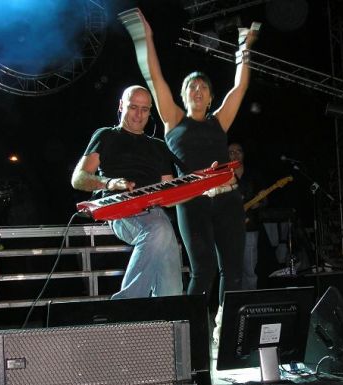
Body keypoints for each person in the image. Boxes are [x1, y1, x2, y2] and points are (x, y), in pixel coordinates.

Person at [124, 9, 257, 342]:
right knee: (203, 270)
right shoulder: (173, 119)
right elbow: (154, 77)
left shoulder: (219, 121)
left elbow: (240, 86)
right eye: (191, 86)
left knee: (234, 271)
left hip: (228, 200)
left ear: (210, 98)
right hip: (192, 202)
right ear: (183, 96)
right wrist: (145, 37)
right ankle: (192, 337)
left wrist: (244, 47)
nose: (197, 90)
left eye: (203, 87)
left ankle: (227, 335)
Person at [71, 85, 183, 299]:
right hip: (121, 209)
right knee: (160, 229)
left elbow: (170, 195)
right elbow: (78, 178)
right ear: (121, 106)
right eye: (133, 107)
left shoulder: (158, 146)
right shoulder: (105, 135)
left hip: (155, 211)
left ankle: (166, 316)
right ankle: (125, 304)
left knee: (172, 288)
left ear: (150, 112)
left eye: (144, 109)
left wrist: (206, 188)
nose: (139, 114)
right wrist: (110, 183)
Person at [230, 142, 265, 290]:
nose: (235, 154)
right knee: (231, 271)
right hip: (229, 229)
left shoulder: (253, 174)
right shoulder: (223, 176)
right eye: (231, 152)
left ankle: (249, 300)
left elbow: (264, 199)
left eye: (239, 151)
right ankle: (234, 300)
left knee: (250, 270)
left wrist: (260, 202)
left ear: (243, 154)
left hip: (250, 227)